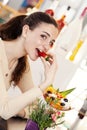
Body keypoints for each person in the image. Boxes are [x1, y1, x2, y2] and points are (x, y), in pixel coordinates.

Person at [0, 11, 59, 120]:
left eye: (51, 42)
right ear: (26, 31)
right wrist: (46, 83)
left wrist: (20, 111)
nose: (47, 47)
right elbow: (4, 111)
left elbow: (36, 107)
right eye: (43, 36)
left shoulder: (21, 63)